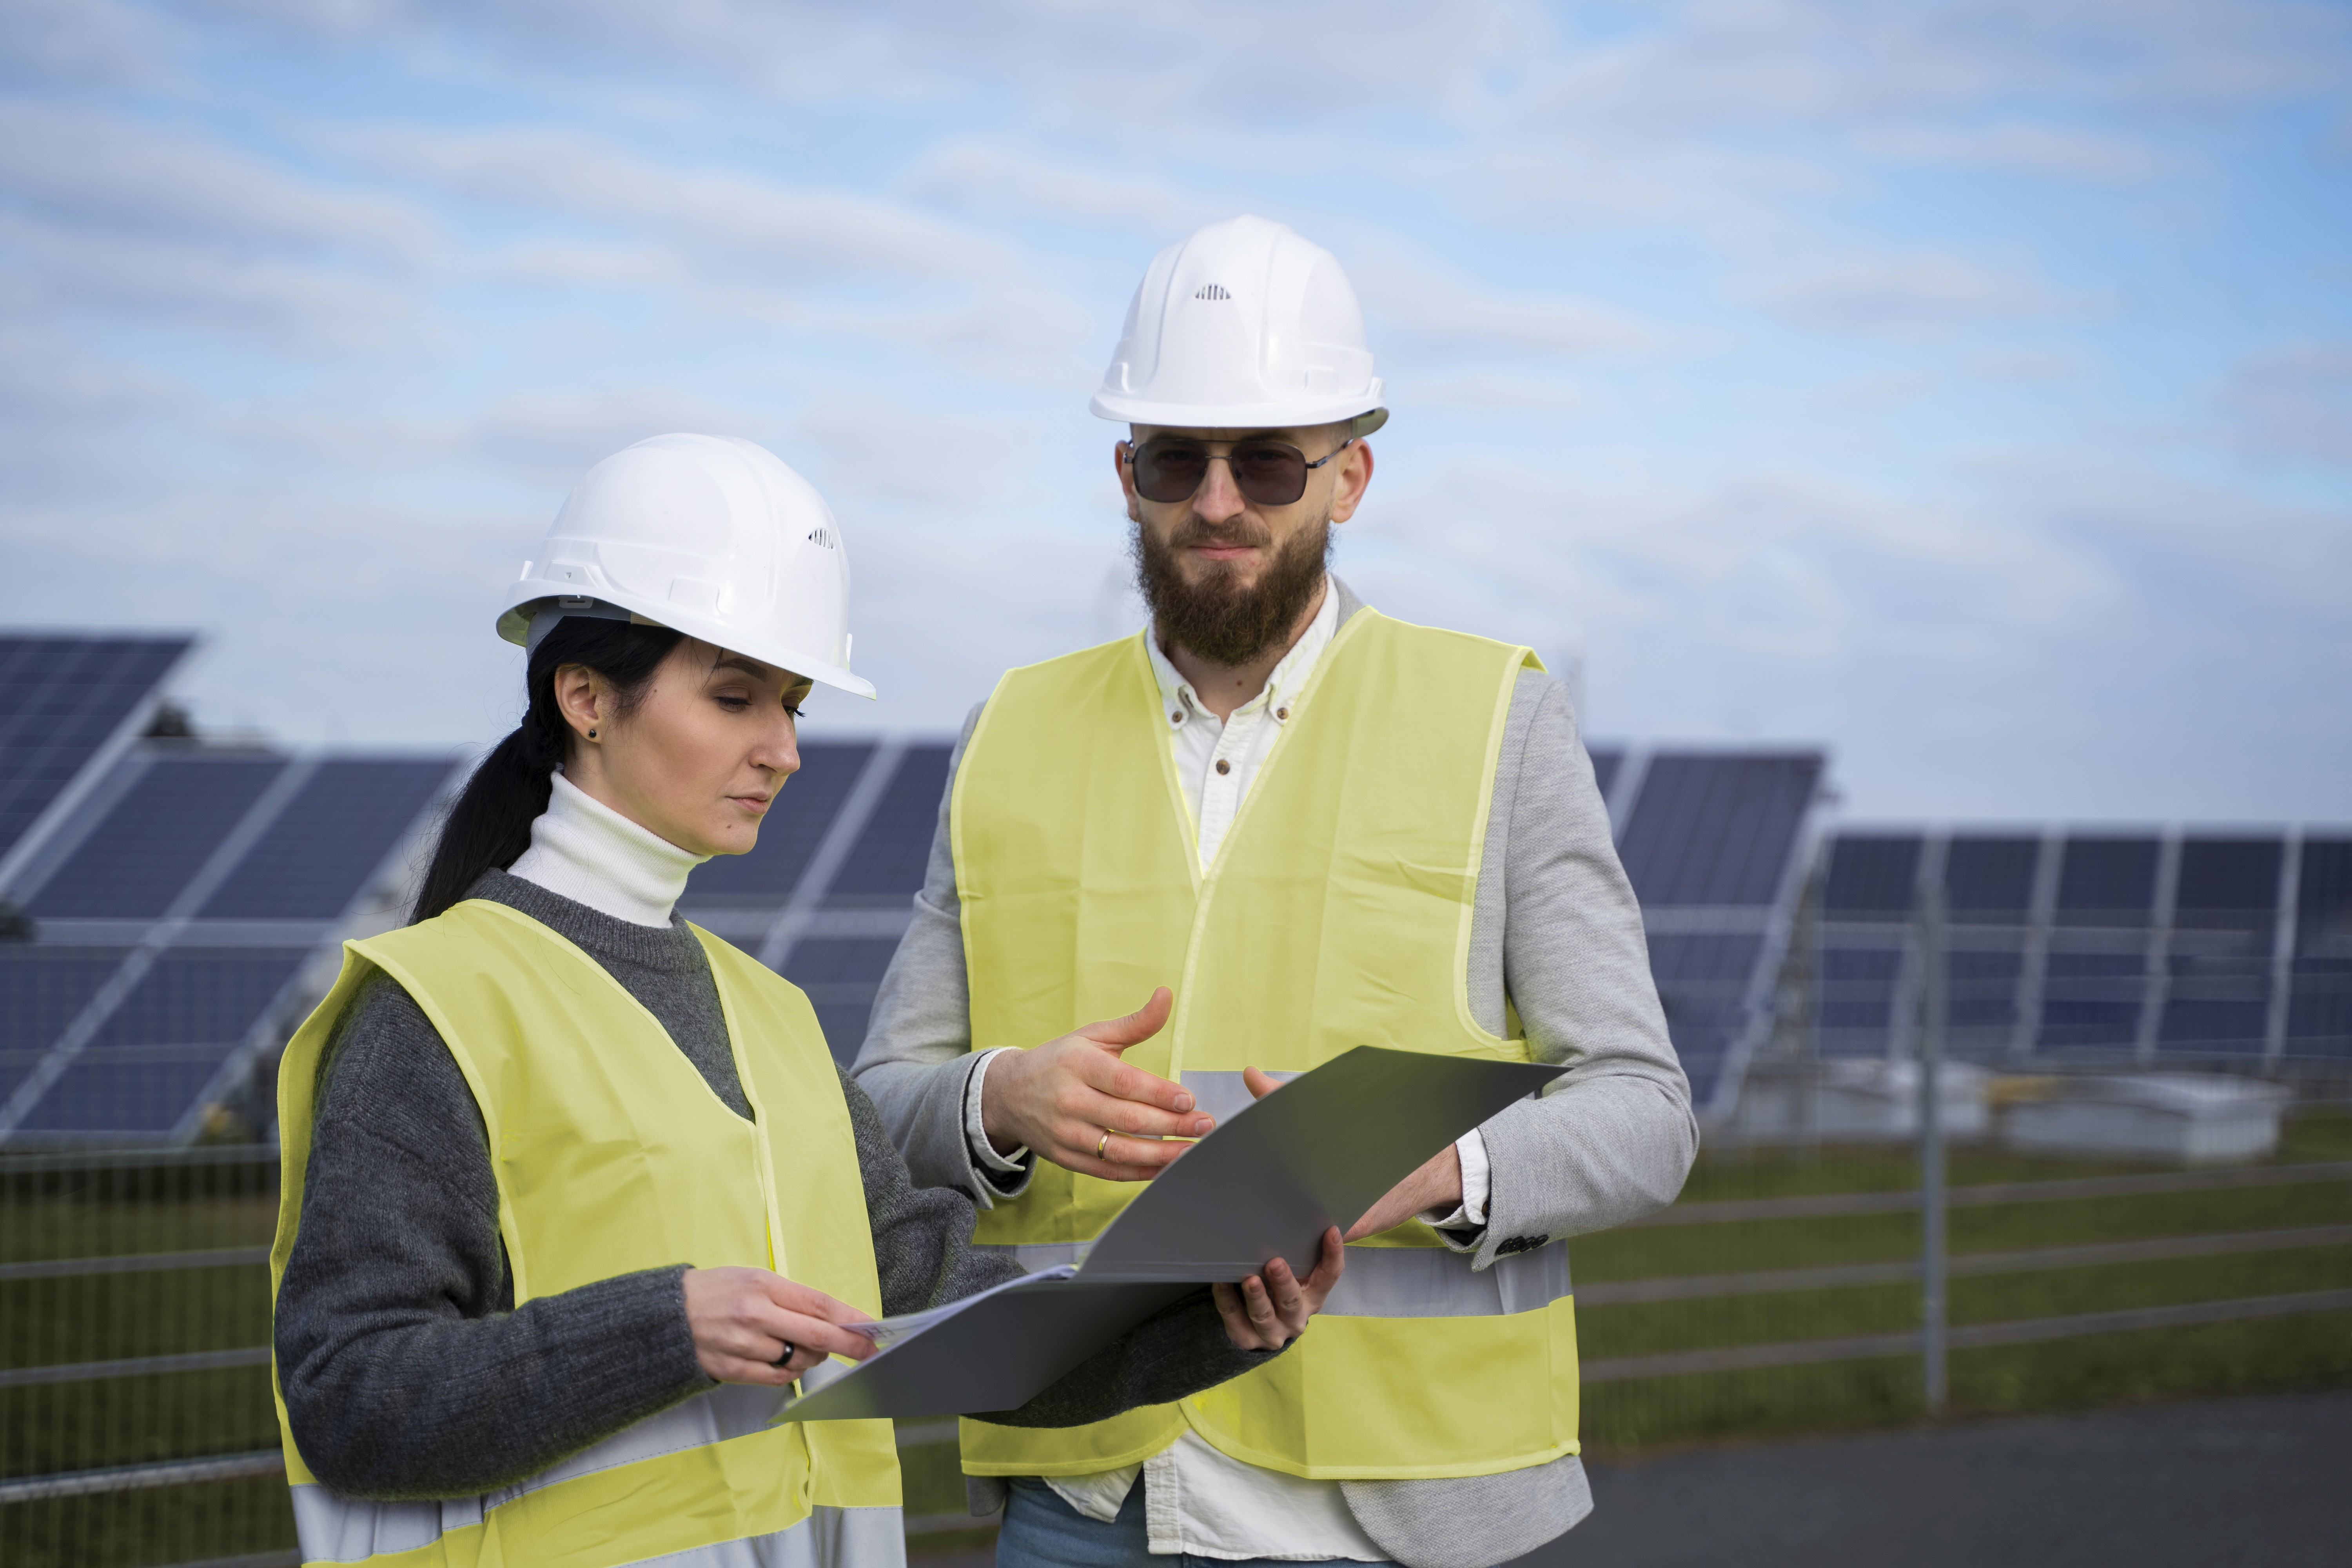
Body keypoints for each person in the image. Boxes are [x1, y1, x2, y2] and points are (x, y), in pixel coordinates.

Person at [267, 432, 1345, 1568]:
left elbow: (946, 1310)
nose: (782, 751)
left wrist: (1216, 1320)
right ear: (584, 697)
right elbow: (349, 1396)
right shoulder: (438, 1009)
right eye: (735, 699)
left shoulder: (770, 1019)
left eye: (791, 705)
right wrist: (666, 1328)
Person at [851, 217, 1698, 1568]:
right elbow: (881, 1106)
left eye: (1266, 461)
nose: (1218, 501)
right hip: (1084, 1494)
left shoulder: (1499, 720)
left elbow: (1647, 1114)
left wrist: (1441, 1171)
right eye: (1176, 460)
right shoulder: (1008, 732)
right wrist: (1000, 1097)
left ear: (1348, 476)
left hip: (1402, 1505)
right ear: (1126, 477)